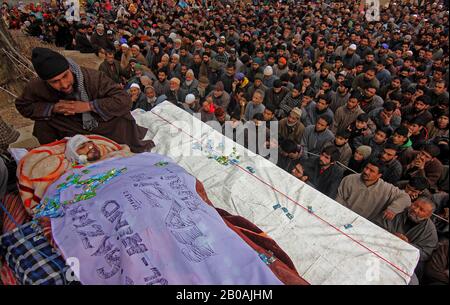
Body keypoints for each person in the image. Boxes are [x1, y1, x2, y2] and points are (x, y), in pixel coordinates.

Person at [15, 47, 154, 153]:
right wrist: (53, 108)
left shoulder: (92, 78)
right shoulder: (36, 86)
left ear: (70, 68)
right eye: (55, 82)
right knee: (42, 124)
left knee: (122, 119)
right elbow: (23, 106)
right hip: (67, 123)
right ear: (45, 81)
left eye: (65, 76)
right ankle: (55, 153)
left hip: (98, 121)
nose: (63, 84)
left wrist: (88, 106)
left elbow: (124, 100)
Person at [374, 197, 438, 276]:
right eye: (415, 205)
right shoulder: (398, 211)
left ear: (428, 215)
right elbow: (378, 224)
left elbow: (425, 254)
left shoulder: (430, 231)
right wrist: (392, 237)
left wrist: (406, 245)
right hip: (380, 245)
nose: (415, 210)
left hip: (403, 258)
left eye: (421, 210)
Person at [336, 158, 411, 222]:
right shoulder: (350, 179)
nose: (366, 171)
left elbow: (406, 198)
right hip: (342, 217)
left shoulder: (386, 188)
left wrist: (393, 209)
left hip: (364, 225)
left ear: (379, 175)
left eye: (371, 171)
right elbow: (339, 200)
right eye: (366, 168)